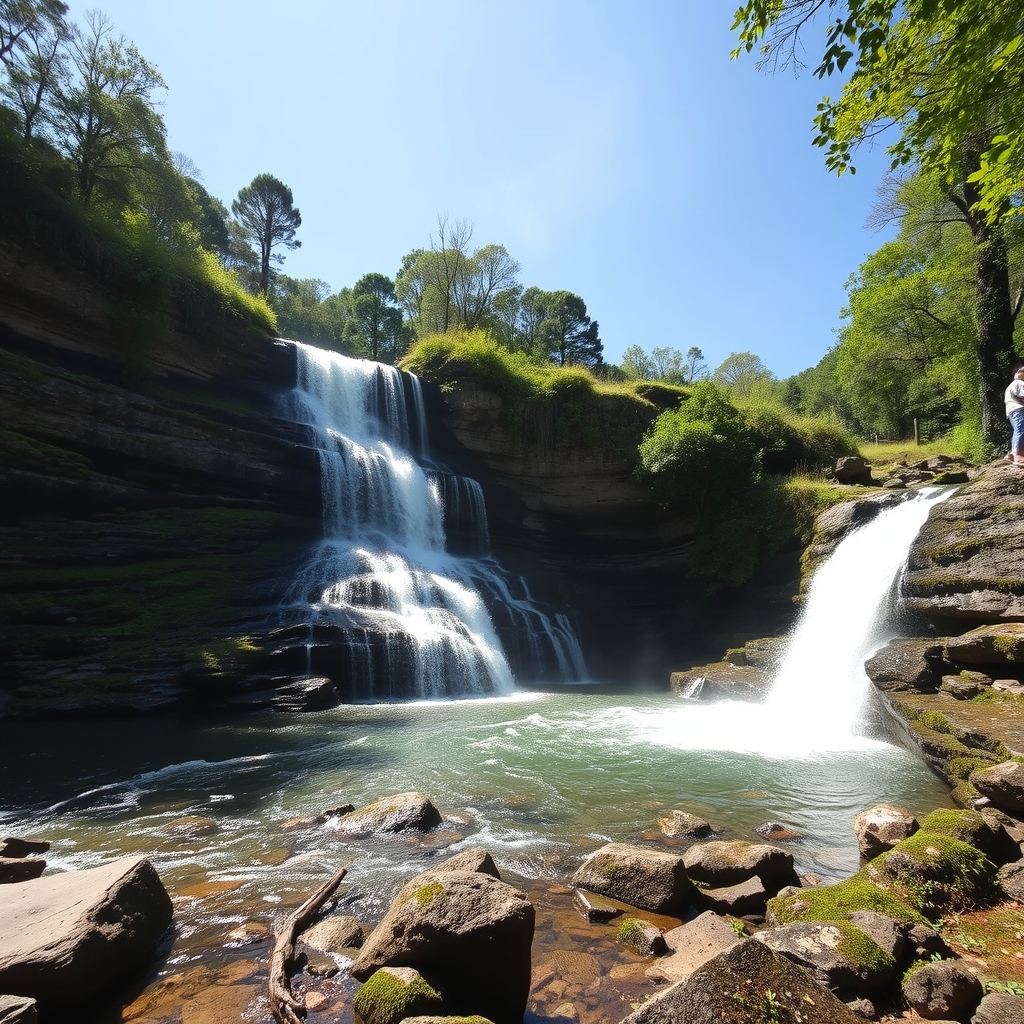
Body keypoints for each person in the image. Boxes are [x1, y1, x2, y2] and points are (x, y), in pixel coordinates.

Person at [1006, 362, 1024, 466]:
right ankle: (1018, 456)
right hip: (1018, 410)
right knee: (1021, 431)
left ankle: (1013, 454)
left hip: (1012, 411)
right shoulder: (1019, 383)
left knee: (1017, 431)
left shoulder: (1012, 385)